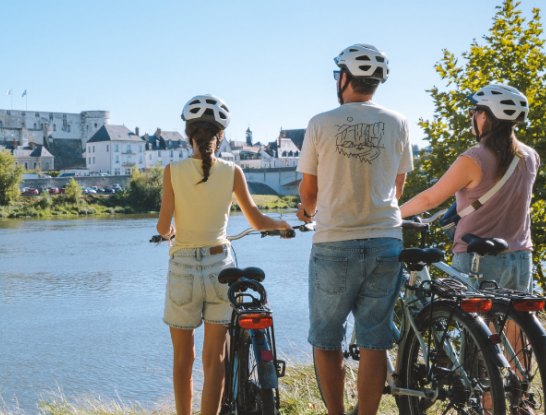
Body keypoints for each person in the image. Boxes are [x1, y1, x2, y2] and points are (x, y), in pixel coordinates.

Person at [295, 44, 412, 415]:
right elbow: (398, 188)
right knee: (374, 341)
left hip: (334, 242)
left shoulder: (320, 123)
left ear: (344, 78)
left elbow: (309, 192)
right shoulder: (398, 122)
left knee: (327, 340)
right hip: (386, 241)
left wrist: (307, 211)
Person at [156, 94, 290, 415]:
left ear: (190, 135)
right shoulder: (233, 172)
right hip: (221, 269)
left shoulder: (172, 171)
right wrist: (282, 224)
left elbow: (163, 227)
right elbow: (257, 221)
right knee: (214, 359)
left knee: (182, 358)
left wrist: (172, 233)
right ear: (222, 136)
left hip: (183, 269)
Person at [399, 84, 538, 292]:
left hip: (480, 259)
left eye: (472, 112)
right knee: (514, 323)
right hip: (521, 256)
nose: (470, 116)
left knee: (472, 323)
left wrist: (390, 214)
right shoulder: (530, 156)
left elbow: (430, 200)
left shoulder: (474, 159)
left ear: (484, 116)